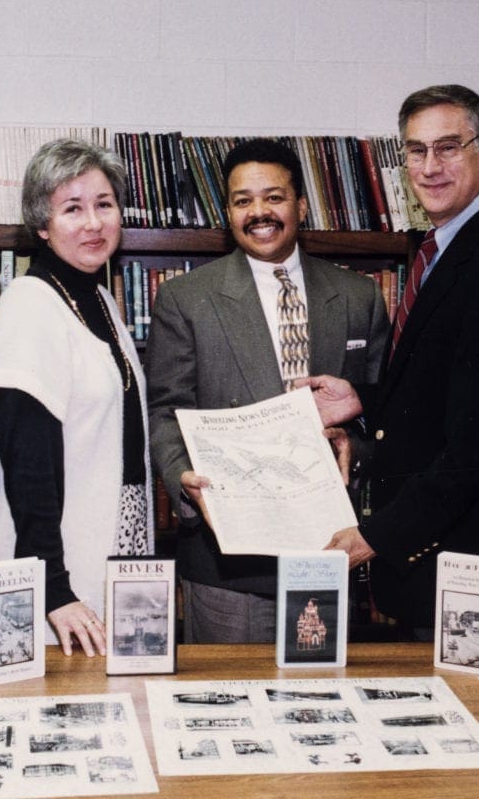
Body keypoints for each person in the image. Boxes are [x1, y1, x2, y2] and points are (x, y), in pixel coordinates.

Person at [325, 84, 479, 636]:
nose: (430, 166)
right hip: (430, 568)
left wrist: (376, 536)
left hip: (471, 572)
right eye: (416, 150)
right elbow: (449, 394)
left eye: (448, 147)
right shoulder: (444, 246)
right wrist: (364, 398)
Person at [146, 138, 389, 644]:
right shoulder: (184, 299)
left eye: (273, 197)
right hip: (228, 559)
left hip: (329, 549)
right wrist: (181, 479)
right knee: (229, 710)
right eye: (242, 201)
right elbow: (166, 410)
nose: (259, 212)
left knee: (325, 709)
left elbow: (379, 410)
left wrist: (356, 448)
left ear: (301, 205)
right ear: (228, 212)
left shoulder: (359, 296)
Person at [0, 138, 152, 657]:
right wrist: (53, 586)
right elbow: (27, 462)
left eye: (104, 204)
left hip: (98, 556)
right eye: (72, 209)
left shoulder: (96, 295)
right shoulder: (30, 307)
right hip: (48, 581)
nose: (94, 223)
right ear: (42, 225)